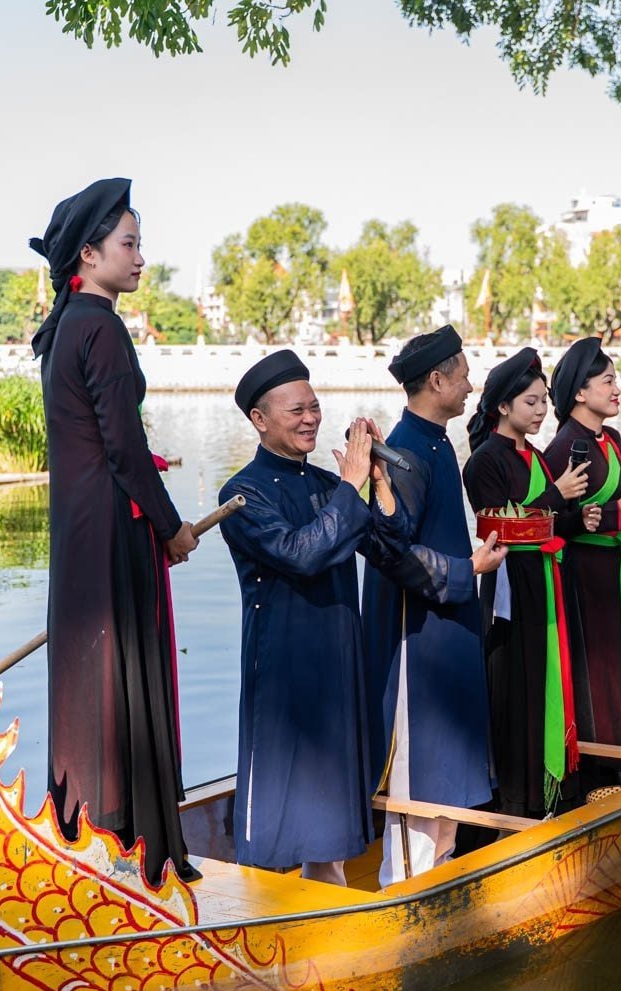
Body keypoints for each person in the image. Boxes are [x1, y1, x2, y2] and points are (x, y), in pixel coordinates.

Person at [29, 178, 200, 883]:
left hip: (81, 529)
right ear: (90, 252)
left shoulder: (69, 323)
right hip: (111, 528)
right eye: (128, 244)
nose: (139, 258)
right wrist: (171, 527)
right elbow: (123, 448)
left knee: (91, 677)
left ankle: (85, 834)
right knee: (119, 675)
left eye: (139, 245)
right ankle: (128, 845)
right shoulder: (97, 324)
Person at [218, 350, 409, 887]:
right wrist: (349, 488)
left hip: (337, 657)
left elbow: (389, 548)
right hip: (283, 664)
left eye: (314, 407)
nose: (310, 419)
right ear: (259, 420)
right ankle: (265, 896)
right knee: (281, 795)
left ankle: (329, 888)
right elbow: (302, 553)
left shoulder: (328, 484)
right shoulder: (242, 493)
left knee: (331, 803)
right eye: (295, 410)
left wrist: (378, 483)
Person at [362, 326, 507, 889]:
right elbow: (391, 554)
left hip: (448, 630)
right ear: (437, 380)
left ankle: (436, 887)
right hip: (415, 641)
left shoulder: (436, 442)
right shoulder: (403, 454)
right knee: (420, 784)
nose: (472, 386)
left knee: (447, 796)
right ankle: (400, 894)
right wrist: (466, 569)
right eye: (464, 375)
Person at [462, 348, 596, 818]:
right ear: (502, 407)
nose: (541, 411)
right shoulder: (484, 462)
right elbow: (499, 527)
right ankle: (517, 798)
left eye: (543, 402)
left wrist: (579, 518)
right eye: (531, 403)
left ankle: (554, 786)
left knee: (549, 683)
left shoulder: (535, 456)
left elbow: (550, 523)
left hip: (544, 583)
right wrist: (555, 495)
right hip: (509, 590)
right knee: (516, 691)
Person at [543, 338, 621, 790]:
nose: (616, 390)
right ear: (579, 392)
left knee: (620, 666)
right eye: (608, 380)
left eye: (616, 380)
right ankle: (594, 772)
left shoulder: (611, 440)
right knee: (595, 670)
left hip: (615, 570)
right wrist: (616, 512)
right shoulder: (563, 448)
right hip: (584, 577)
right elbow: (550, 520)